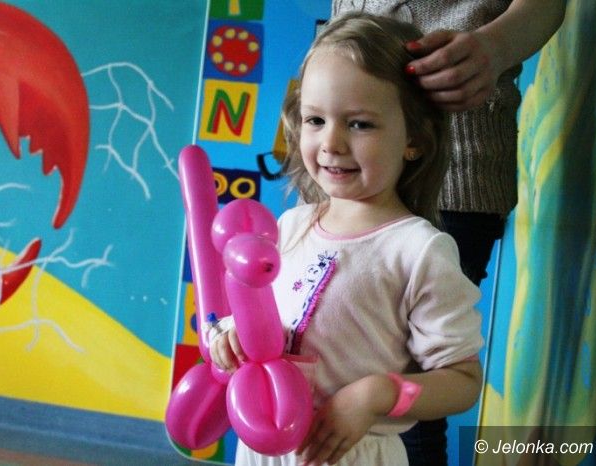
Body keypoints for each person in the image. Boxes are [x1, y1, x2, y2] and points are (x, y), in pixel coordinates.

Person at [210, 12, 484, 466]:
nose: (331, 142)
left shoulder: (418, 250)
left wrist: (376, 395)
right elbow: (261, 321)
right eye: (315, 119)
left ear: (414, 139)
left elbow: (463, 381)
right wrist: (231, 337)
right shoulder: (291, 226)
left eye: (359, 124)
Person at [331, 2, 567, 464]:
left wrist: (495, 46)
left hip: (452, 172)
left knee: (411, 395)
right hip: (339, 176)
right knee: (332, 362)